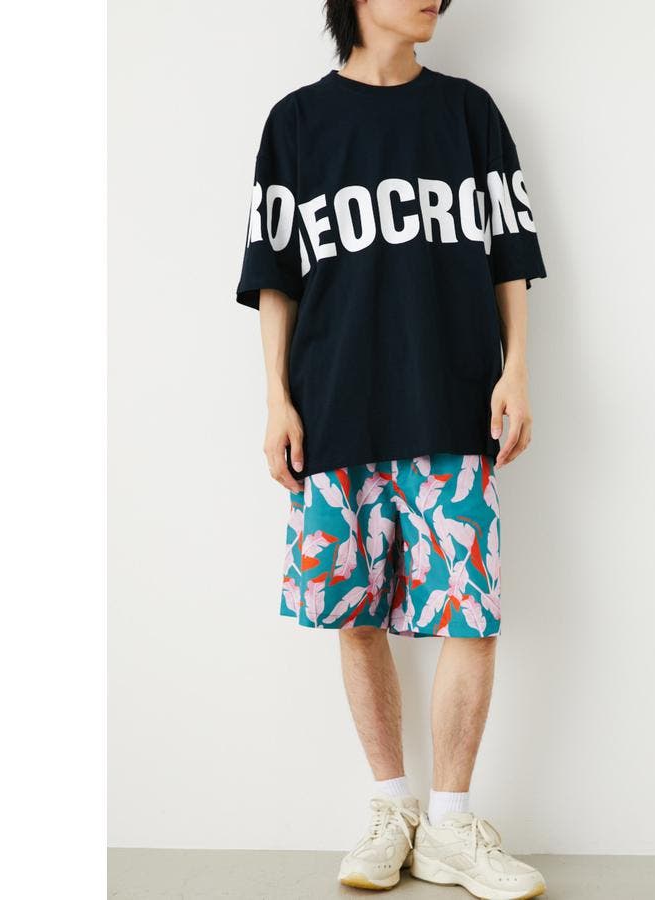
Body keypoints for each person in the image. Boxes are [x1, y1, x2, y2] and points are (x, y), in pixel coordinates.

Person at [235, 2, 546, 897]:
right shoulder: (297, 123)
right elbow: (275, 276)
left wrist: (516, 370)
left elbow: (510, 253)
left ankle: (450, 824)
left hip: (452, 400)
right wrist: (276, 399)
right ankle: (392, 808)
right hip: (336, 404)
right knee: (357, 611)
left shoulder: (469, 113)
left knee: (469, 612)